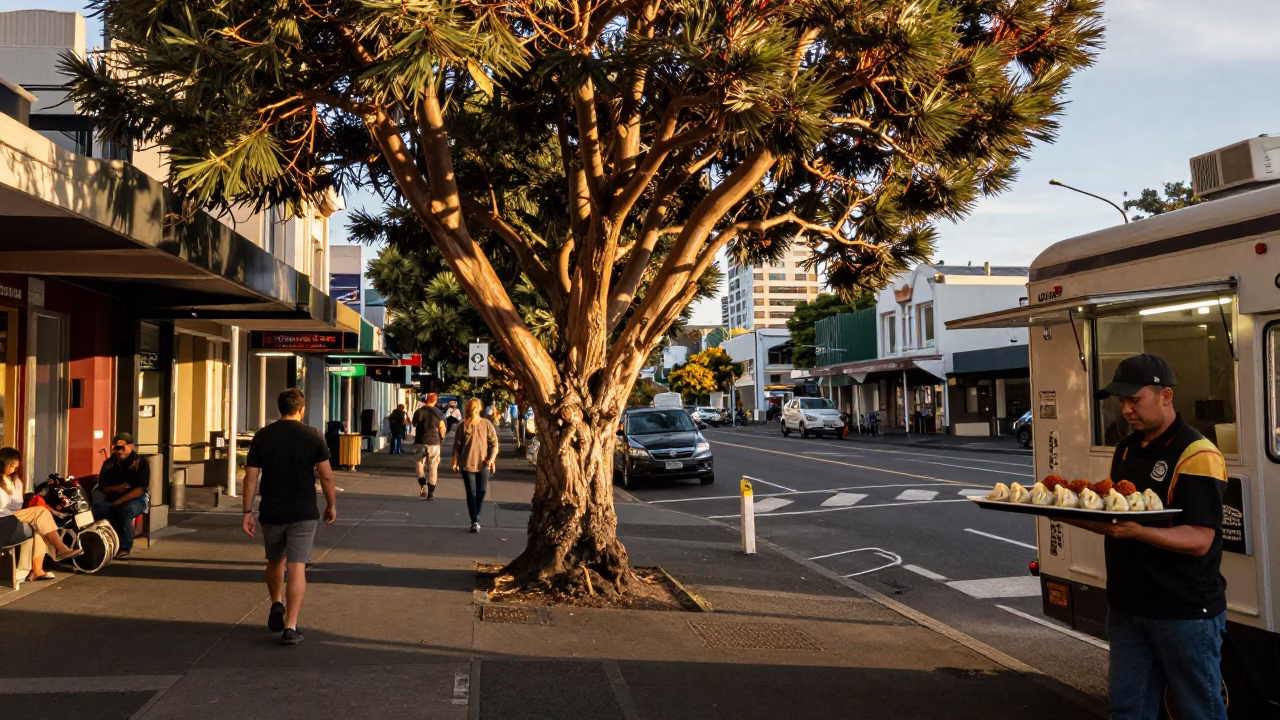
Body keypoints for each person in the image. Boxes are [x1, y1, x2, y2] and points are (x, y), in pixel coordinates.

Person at [1065, 355, 1228, 720]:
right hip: (1128, 608)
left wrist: (1137, 531)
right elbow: (1117, 521)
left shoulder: (1197, 453)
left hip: (1183, 612)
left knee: (1199, 711)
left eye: (1134, 400)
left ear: (1165, 395)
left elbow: (1201, 539)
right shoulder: (1125, 448)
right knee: (1127, 710)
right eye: (1121, 401)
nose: (1125, 410)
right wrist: (1062, 513)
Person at [242, 388, 337, 647]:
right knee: (296, 566)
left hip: (272, 510)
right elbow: (327, 475)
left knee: (274, 560)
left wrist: (247, 511)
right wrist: (331, 504)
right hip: (303, 511)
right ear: (302, 410)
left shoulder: (263, 436)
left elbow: (250, 477)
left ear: (279, 409)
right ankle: (291, 626)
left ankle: (276, 603)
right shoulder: (313, 435)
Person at [0, 447, 81, 580]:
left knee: (40, 521)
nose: (14, 469)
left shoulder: (16, 482)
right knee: (41, 513)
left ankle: (37, 569)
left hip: (12, 516)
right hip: (2, 518)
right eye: (11, 466)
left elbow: (17, 505)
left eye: (16, 467)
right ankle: (59, 549)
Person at [93, 432, 151, 559]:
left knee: (125, 509)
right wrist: (116, 489)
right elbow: (103, 487)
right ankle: (108, 543)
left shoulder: (141, 462)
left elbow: (141, 489)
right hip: (112, 497)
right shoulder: (109, 464)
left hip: (136, 498)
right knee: (100, 509)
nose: (119, 451)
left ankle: (124, 546)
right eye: (115, 448)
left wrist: (120, 500)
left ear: (131, 446)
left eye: (122, 447)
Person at [452, 398, 498, 533]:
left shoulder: (487, 424)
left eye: (476, 406)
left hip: (483, 464)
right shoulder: (463, 426)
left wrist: (492, 459)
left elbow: (494, 444)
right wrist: (455, 462)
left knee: (482, 491)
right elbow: (457, 446)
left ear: (480, 408)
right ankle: (475, 520)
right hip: (466, 464)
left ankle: (476, 515)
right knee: (471, 493)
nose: (475, 409)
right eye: (473, 406)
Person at [412, 394, 447, 500]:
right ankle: (431, 493)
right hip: (434, 442)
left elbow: (414, 424)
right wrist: (442, 437)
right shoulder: (438, 413)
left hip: (420, 441)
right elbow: (442, 428)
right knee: (433, 467)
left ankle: (423, 486)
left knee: (419, 463)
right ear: (435, 401)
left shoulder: (419, 411)